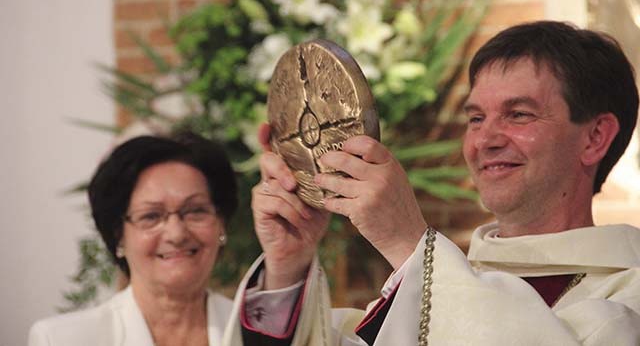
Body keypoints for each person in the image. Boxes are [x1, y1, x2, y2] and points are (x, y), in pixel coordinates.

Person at [222, 21, 640, 345]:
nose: (486, 140)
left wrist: (407, 241)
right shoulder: (435, 289)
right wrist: (287, 266)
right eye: (476, 118)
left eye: (519, 114)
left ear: (595, 137)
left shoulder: (628, 292)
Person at [29, 132, 238, 346]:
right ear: (118, 235)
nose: (176, 234)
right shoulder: (61, 340)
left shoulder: (259, 334)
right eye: (151, 216)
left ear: (221, 223)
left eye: (195, 211)